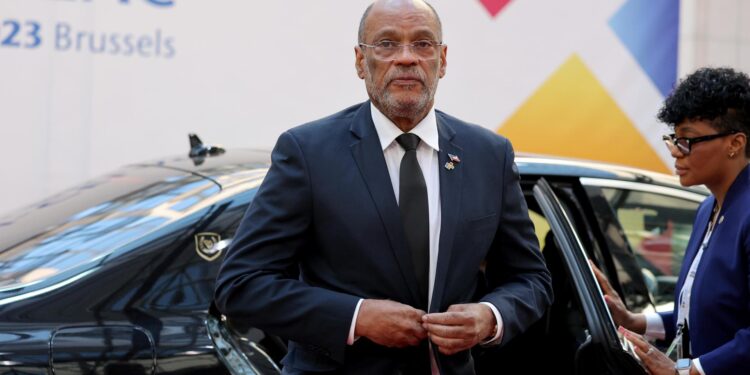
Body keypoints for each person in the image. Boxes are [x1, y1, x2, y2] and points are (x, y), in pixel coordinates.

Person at [213, 0, 552, 373]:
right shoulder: (308, 153)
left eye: (423, 44)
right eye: (387, 44)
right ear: (361, 61)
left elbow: (530, 279)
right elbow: (241, 284)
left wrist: (490, 316)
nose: (406, 58)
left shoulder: (489, 155)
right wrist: (357, 317)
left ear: (443, 59)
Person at [594, 67, 750, 375]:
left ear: (735, 143)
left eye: (688, 140)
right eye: (673, 139)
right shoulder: (708, 208)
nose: (676, 153)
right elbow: (699, 314)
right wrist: (633, 321)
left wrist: (687, 371)